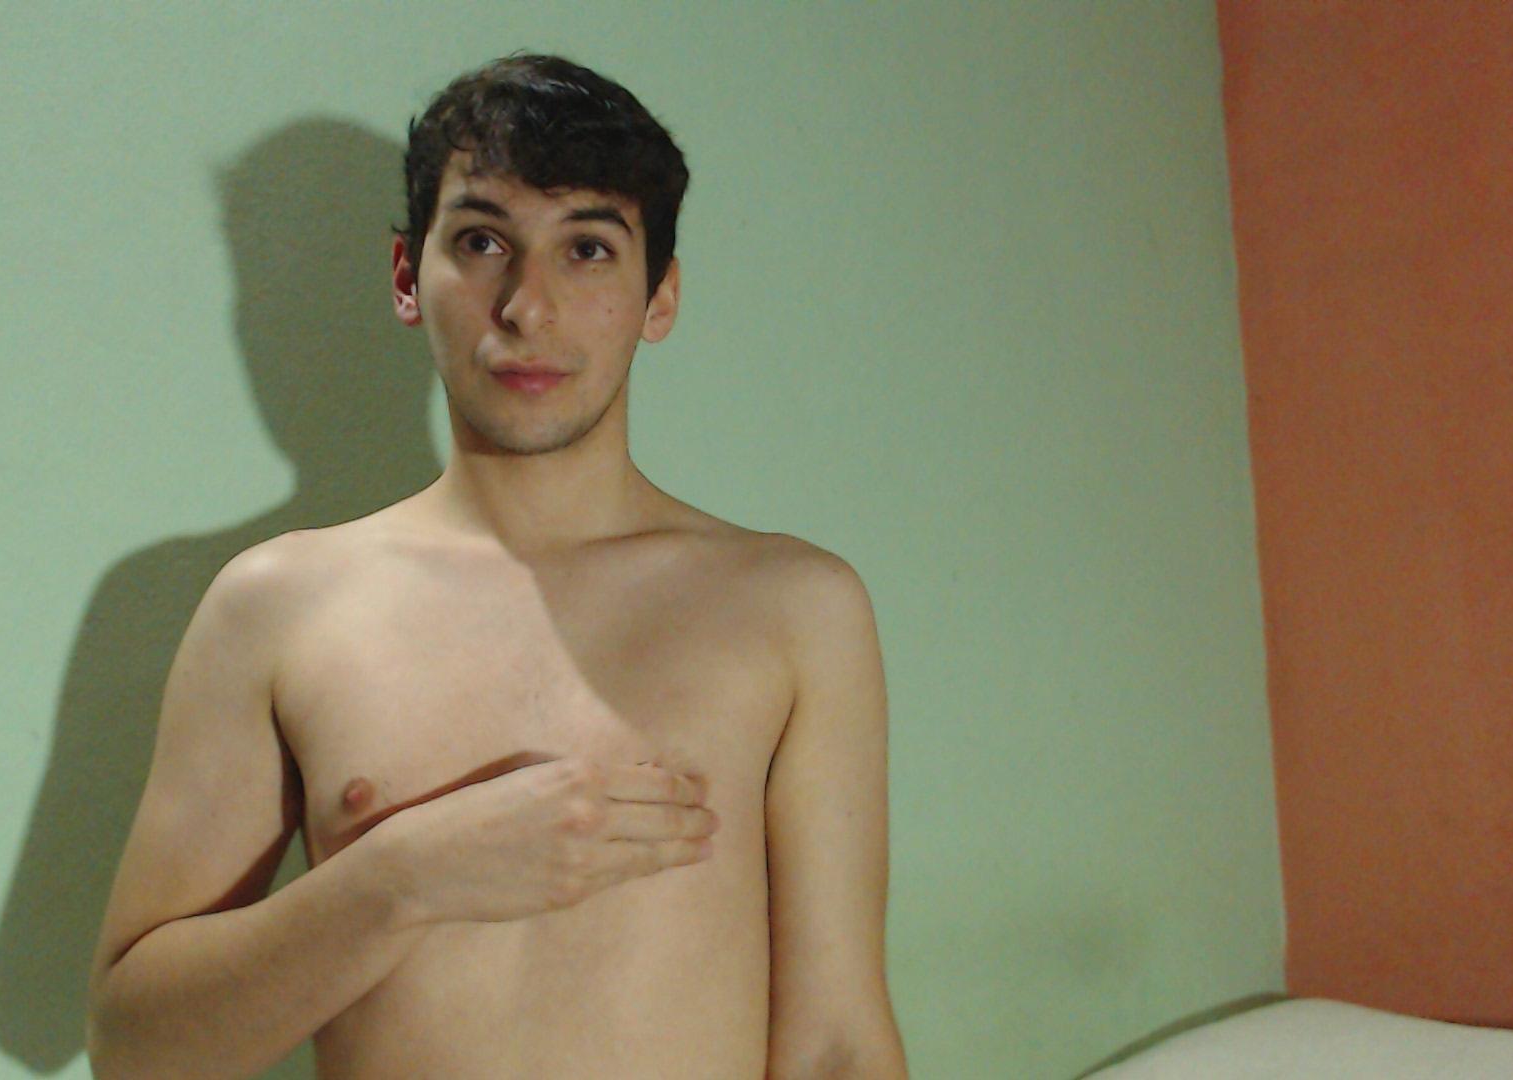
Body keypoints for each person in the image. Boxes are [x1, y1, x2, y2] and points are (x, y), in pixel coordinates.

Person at [85, 51, 906, 1079]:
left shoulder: (793, 610)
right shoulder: (278, 608)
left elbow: (837, 1045)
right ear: (406, 277)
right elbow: (136, 1051)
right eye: (482, 242)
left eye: (588, 250)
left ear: (659, 296)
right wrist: (403, 878)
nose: (528, 305)